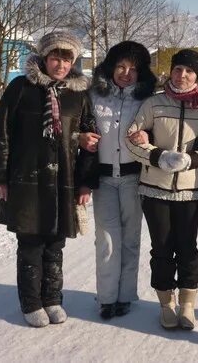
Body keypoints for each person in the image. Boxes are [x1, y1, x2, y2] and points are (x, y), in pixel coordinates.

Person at [0, 31, 99, 328]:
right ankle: (31, 303)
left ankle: (52, 299)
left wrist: (85, 182)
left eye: (67, 58)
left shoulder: (79, 93)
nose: (60, 64)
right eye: (55, 58)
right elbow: (2, 132)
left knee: (55, 244)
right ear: (44, 58)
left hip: (63, 180)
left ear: (74, 61)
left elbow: (90, 140)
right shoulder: (21, 87)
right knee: (30, 243)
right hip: (27, 178)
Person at [125, 49, 198, 330]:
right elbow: (131, 139)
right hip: (155, 189)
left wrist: (192, 159)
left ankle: (188, 305)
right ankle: (166, 304)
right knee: (162, 248)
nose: (182, 75)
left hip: (191, 190)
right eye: (178, 69)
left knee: (188, 248)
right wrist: (158, 156)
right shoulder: (153, 104)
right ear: (171, 71)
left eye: (189, 71)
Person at [82, 41, 157, 319]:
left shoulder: (147, 100)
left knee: (130, 240)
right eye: (121, 67)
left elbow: (158, 133)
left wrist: (148, 138)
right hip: (103, 180)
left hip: (134, 179)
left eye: (133, 69)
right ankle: (106, 298)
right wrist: (80, 137)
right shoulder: (93, 97)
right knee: (106, 241)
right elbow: (78, 127)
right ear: (110, 68)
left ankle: (126, 296)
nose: (126, 73)